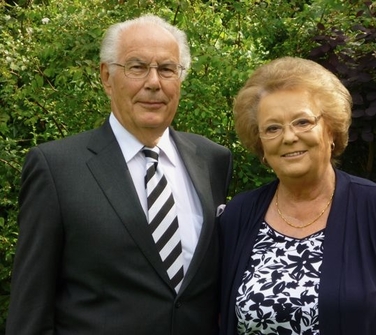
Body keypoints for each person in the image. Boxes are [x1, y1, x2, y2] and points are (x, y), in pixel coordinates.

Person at [6, 14, 232, 335]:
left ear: (180, 79)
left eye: (167, 69)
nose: (154, 82)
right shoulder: (56, 168)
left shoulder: (212, 160)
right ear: (107, 77)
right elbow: (30, 309)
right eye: (137, 67)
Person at [218, 57, 376, 335]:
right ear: (261, 146)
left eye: (302, 122)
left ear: (331, 131)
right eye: (273, 128)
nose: (288, 137)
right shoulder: (238, 215)